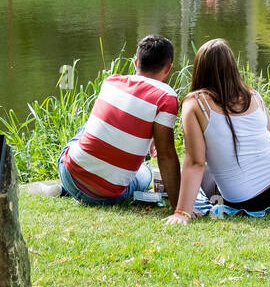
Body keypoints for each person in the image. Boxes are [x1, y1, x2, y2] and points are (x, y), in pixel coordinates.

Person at [33, 35, 182, 213]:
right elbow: (166, 155)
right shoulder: (166, 97)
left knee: (90, 127)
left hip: (69, 175)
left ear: (136, 63)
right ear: (168, 68)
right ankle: (80, 187)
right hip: (107, 197)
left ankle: (65, 189)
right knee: (145, 172)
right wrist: (179, 208)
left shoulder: (112, 81)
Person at [166, 38, 270, 224]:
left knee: (205, 173)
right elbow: (266, 133)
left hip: (246, 199)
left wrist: (182, 212)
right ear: (232, 67)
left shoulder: (195, 102)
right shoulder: (253, 95)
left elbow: (196, 162)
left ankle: (195, 203)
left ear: (199, 69)